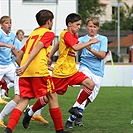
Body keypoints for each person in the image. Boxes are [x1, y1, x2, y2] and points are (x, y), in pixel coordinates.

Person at [21, 13, 101, 131]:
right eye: (77, 24)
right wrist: (90, 42)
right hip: (61, 73)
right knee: (49, 98)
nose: (79, 27)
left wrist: (51, 56)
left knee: (91, 84)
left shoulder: (72, 35)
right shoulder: (66, 34)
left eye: (80, 25)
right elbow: (75, 47)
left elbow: (59, 44)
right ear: (69, 24)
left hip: (72, 71)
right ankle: (31, 111)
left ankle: (76, 106)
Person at [3, 9, 70, 133]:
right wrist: (26, 65)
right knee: (52, 96)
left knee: (23, 101)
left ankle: (8, 130)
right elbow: (38, 48)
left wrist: (23, 67)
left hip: (26, 73)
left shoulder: (33, 34)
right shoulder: (48, 33)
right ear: (49, 22)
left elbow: (18, 56)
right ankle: (60, 130)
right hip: (39, 72)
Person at [65, 17, 108, 128]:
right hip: (85, 67)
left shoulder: (103, 39)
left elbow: (102, 55)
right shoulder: (82, 39)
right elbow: (73, 47)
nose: (92, 29)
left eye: (94, 26)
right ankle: (74, 118)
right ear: (86, 27)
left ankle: (72, 118)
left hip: (98, 71)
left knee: (89, 97)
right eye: (90, 26)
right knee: (86, 87)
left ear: (98, 27)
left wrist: (90, 49)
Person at [0, 16, 17, 104]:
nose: (9, 25)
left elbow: (13, 49)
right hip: (0, 65)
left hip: (9, 64)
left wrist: (21, 62)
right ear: (1, 25)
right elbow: (8, 46)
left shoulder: (13, 35)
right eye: (6, 23)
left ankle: (26, 108)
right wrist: (7, 45)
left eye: (10, 23)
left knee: (19, 82)